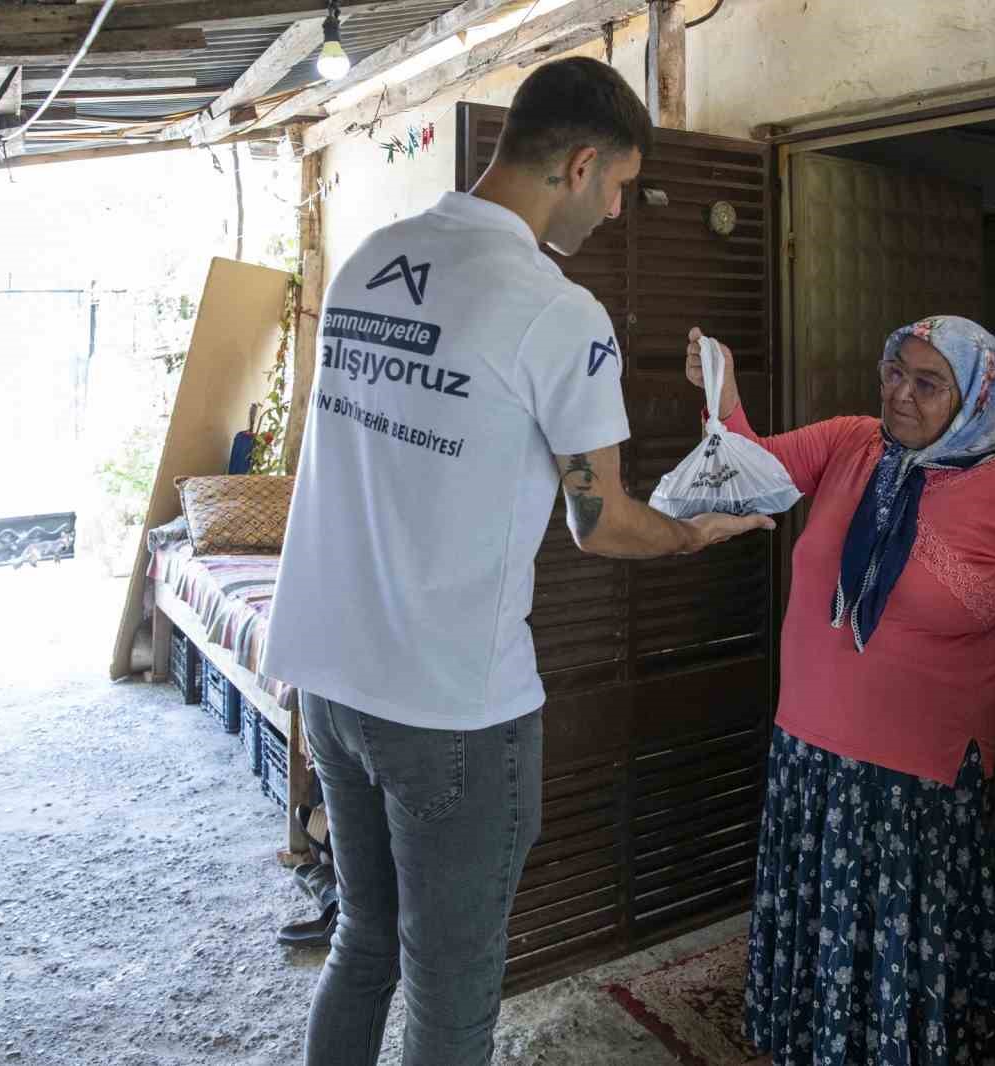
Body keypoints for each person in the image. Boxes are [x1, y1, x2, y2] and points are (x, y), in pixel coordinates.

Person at [262, 58, 773, 1066]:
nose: (619, 210)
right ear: (579, 164)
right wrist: (691, 529)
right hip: (452, 709)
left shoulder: (374, 257)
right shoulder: (556, 310)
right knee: (452, 1000)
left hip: (329, 679)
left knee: (364, 942)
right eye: (619, 184)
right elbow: (603, 524)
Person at [686, 317, 995, 1065]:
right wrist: (724, 395)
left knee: (910, 951)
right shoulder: (852, 444)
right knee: (823, 936)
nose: (900, 394)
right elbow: (751, 473)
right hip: (812, 758)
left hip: (921, 787)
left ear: (976, 400)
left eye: (928, 384)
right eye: (895, 371)